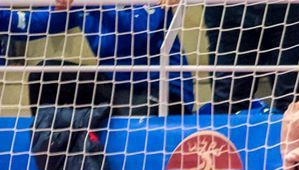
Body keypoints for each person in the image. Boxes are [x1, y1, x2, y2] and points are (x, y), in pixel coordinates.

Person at [0, 2, 195, 115]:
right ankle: (51, 157)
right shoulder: (84, 5)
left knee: (127, 114)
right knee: (44, 76)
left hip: (164, 91)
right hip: (115, 89)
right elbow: (32, 24)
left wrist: (93, 3)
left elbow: (138, 32)